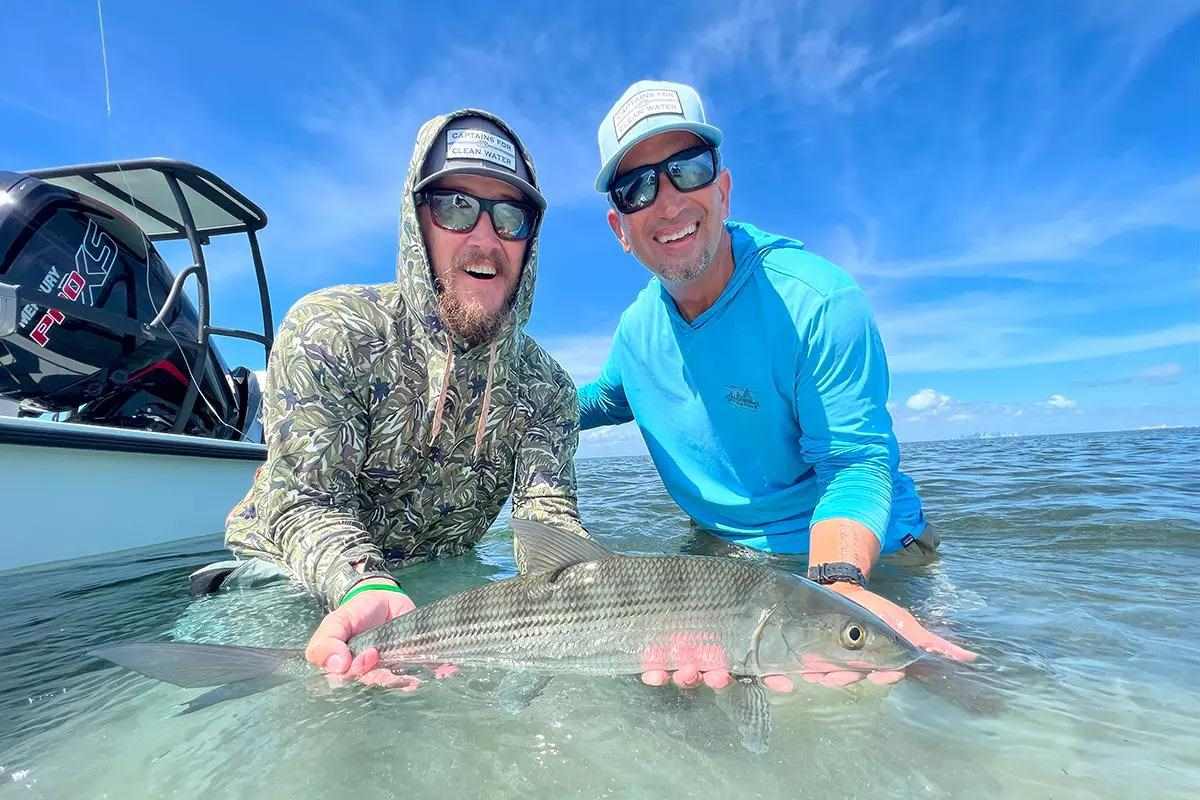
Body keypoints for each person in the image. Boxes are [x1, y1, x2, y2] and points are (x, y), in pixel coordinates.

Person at [579, 80, 975, 691]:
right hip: (723, 571)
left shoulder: (818, 302)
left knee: (963, 712)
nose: (668, 201)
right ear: (619, 228)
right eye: (637, 186)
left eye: (687, 169)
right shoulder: (635, 331)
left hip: (867, 567)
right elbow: (601, 402)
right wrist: (503, 408)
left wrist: (835, 588)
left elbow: (854, 464)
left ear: (724, 187)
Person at [220, 109, 588, 687]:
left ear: (531, 241)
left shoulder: (548, 389)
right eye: (456, 207)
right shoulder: (332, 329)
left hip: (435, 593)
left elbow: (549, 525)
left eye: (511, 216)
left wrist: (651, 614)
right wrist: (363, 582)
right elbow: (301, 501)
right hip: (283, 580)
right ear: (417, 221)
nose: (485, 239)